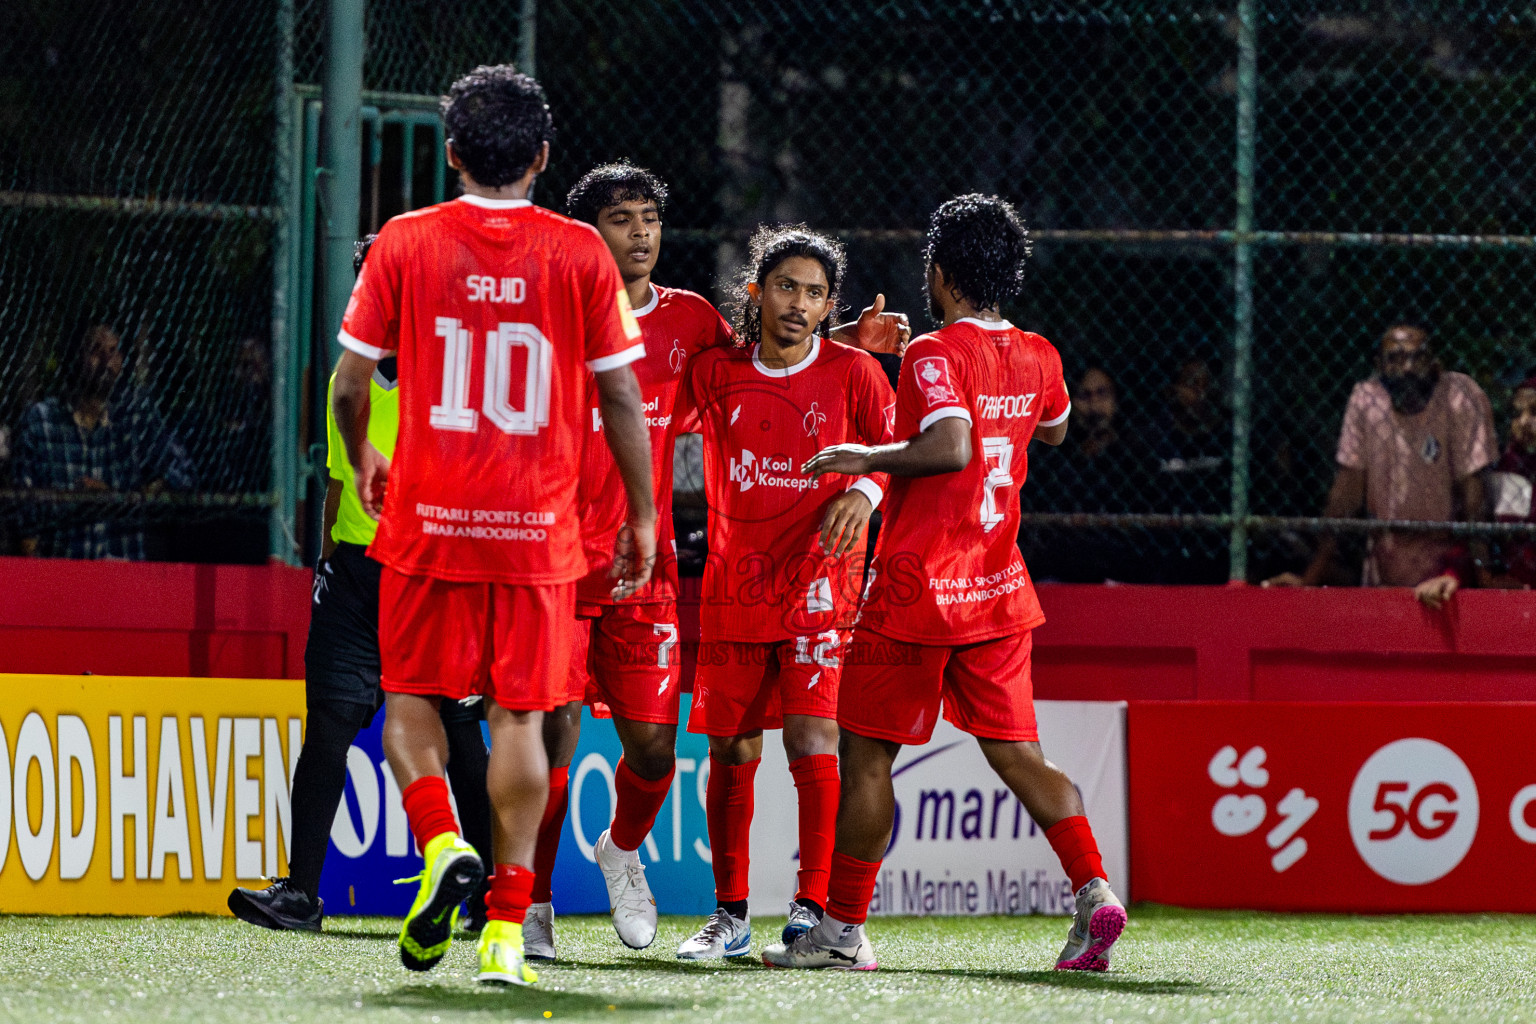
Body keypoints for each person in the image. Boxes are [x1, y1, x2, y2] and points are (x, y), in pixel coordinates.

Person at [331, 65, 656, 988]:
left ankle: (440, 845)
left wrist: (362, 456)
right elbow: (621, 395)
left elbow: (354, 382)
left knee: (411, 704)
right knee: (524, 718)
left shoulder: (404, 241)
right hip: (539, 533)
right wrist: (639, 512)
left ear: (450, 153)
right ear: (544, 158)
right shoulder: (580, 254)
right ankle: (508, 930)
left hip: (430, 522)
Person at [764, 194, 1126, 973]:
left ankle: (842, 931)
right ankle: (1094, 890)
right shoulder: (1040, 352)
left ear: (940, 270)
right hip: (996, 589)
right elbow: (1054, 427)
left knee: (867, 760)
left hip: (917, 590)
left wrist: (866, 458)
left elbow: (954, 446)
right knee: (1022, 758)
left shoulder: (935, 352)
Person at [226, 237, 493, 934]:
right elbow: (339, 484)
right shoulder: (349, 378)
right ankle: (301, 896)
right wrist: (327, 563)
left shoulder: (460, 381)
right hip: (353, 576)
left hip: (439, 579)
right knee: (329, 731)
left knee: (463, 736)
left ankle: (491, 899)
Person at [520, 163, 734, 960]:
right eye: (622, 218)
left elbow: (760, 375)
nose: (641, 232)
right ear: (587, 233)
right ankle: (531, 907)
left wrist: (842, 345)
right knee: (553, 741)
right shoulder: (548, 317)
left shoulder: (691, 320)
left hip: (645, 569)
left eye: (650, 216)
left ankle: (619, 850)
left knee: (651, 746)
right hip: (554, 564)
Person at [674, 225, 895, 961]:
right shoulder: (715, 372)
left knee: (812, 739)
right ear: (755, 291)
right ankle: (729, 916)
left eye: (814, 292)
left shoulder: (857, 372)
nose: (799, 304)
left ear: (830, 303)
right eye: (786, 287)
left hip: (820, 588)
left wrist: (863, 489)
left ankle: (812, 911)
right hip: (735, 587)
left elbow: (894, 454)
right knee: (731, 749)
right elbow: (645, 412)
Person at [1265, 324, 1496, 607]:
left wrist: (1481, 571)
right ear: (1379, 365)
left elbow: (1474, 494)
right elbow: (1346, 495)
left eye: (1418, 357)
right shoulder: (1366, 399)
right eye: (1396, 359)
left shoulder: (1458, 396)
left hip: (1447, 565)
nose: (1408, 368)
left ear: (1435, 364)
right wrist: (1312, 577)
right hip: (1385, 563)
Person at [12, 320, 194, 559]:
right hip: (62, 571)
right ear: (75, 357)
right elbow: (22, 510)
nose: (106, 360)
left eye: (113, 350)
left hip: (122, 571)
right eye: (95, 350)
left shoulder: (135, 417)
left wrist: (119, 498)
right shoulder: (42, 421)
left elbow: (182, 473)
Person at [1022, 365, 1154, 583]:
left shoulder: (1134, 457)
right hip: (1062, 566)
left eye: (1102, 394)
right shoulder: (1055, 457)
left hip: (1120, 565)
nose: (1094, 405)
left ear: (1117, 400)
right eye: (1084, 395)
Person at [1485, 377, 1536, 589]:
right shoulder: (1503, 470)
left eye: (1534, 412)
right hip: (1514, 590)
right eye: (1516, 414)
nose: (1523, 422)